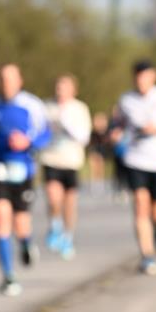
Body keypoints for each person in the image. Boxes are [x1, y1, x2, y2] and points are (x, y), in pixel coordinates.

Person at [0, 64, 51, 295]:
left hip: (23, 170)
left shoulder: (31, 105)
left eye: (11, 79)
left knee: (21, 222)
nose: (6, 84)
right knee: (2, 218)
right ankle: (8, 276)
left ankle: (25, 243)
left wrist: (27, 142)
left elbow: (45, 134)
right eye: (2, 79)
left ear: (20, 81)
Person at [114, 60, 156, 275]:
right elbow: (118, 125)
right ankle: (147, 255)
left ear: (154, 76)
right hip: (135, 160)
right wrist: (115, 134)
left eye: (145, 76)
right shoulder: (126, 100)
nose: (141, 81)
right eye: (137, 76)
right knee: (140, 205)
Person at [38, 74, 90, 259]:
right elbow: (38, 130)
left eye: (65, 86)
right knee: (53, 197)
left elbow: (84, 138)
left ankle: (68, 236)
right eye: (58, 86)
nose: (60, 90)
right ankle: (55, 224)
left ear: (73, 90)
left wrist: (66, 124)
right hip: (51, 158)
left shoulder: (79, 108)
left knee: (69, 202)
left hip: (72, 160)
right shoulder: (46, 107)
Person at [87, 111, 112, 194]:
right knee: (94, 165)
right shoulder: (93, 132)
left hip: (101, 149)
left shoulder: (105, 132)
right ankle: (94, 182)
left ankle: (100, 183)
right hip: (94, 148)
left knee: (100, 165)